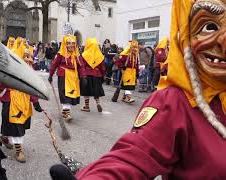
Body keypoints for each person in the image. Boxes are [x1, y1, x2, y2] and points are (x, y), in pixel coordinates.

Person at [49, 0, 226, 179]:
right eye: (210, 26)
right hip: (69, 76)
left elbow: (95, 64)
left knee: (100, 91)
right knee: (74, 94)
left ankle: (96, 102)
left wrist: (92, 73)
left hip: (96, 75)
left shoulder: (86, 56)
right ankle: (70, 110)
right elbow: (133, 156)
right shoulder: (175, 102)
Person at [48, 35, 86, 122]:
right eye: (69, 43)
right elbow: (54, 64)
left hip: (73, 77)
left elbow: (81, 66)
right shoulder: (60, 54)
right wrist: (50, 75)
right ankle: (68, 113)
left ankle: (65, 111)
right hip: (63, 75)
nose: (71, 45)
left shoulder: (77, 55)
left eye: (73, 43)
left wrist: (83, 76)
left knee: (71, 94)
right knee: (65, 93)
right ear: (65, 44)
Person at [80, 38, 106, 112]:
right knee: (96, 90)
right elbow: (102, 67)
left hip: (87, 74)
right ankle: (98, 103)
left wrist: (81, 75)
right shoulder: (100, 55)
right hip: (97, 75)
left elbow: (82, 66)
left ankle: (87, 106)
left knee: (86, 91)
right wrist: (103, 76)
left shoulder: (84, 55)